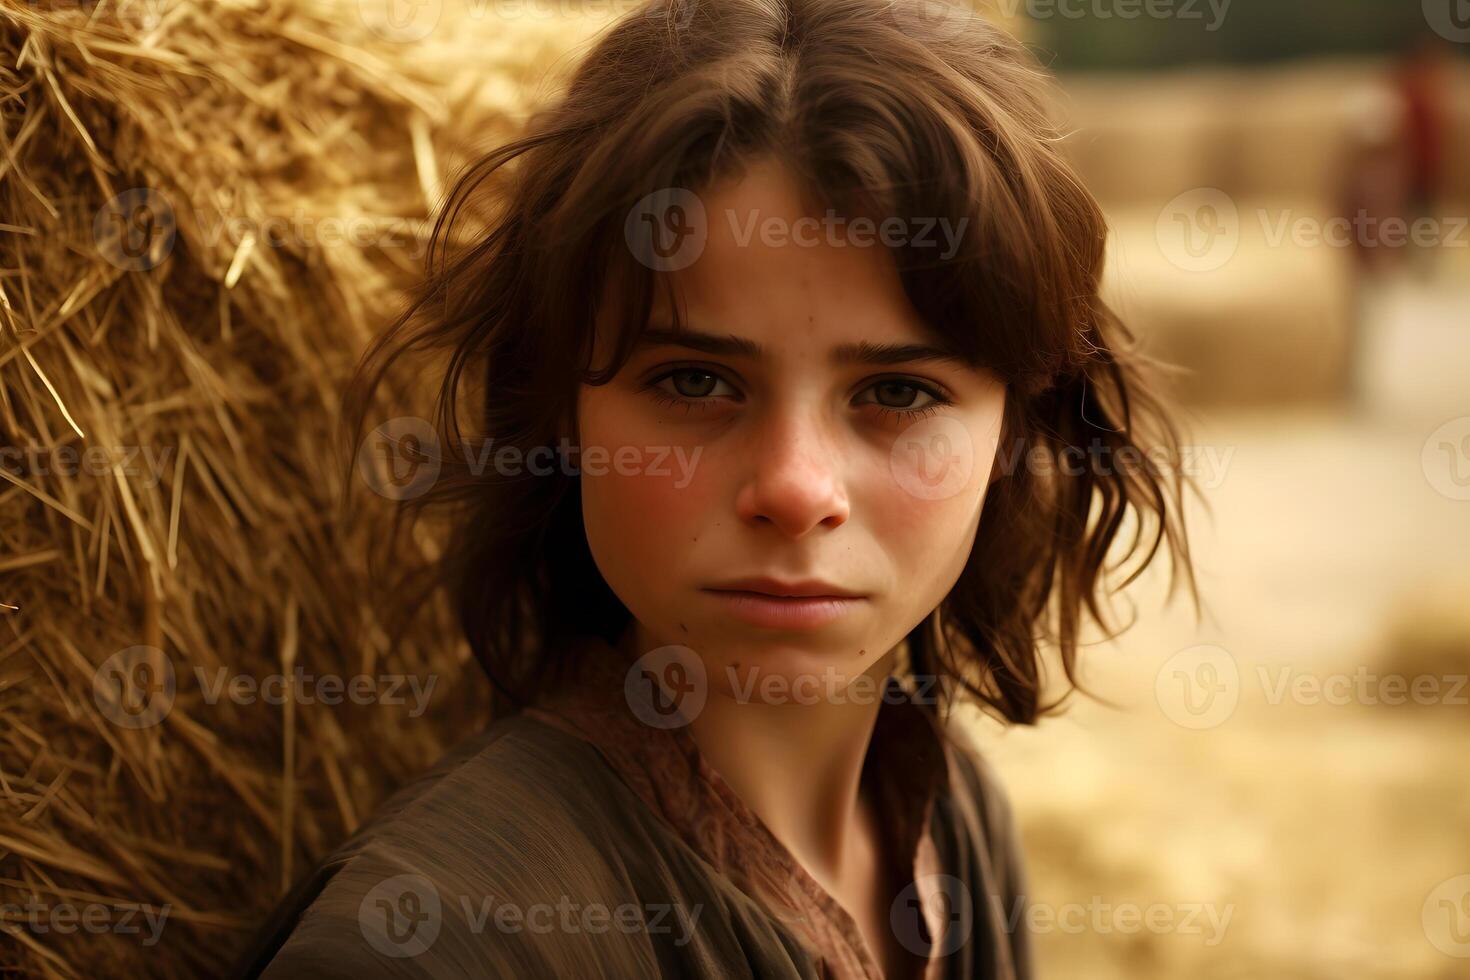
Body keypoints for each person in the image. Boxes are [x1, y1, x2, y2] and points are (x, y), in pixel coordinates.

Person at [231, 0, 1196, 975]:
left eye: (899, 391)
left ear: (1013, 429)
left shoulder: (954, 820)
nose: (794, 486)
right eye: (695, 381)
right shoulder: (432, 946)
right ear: (562, 407)